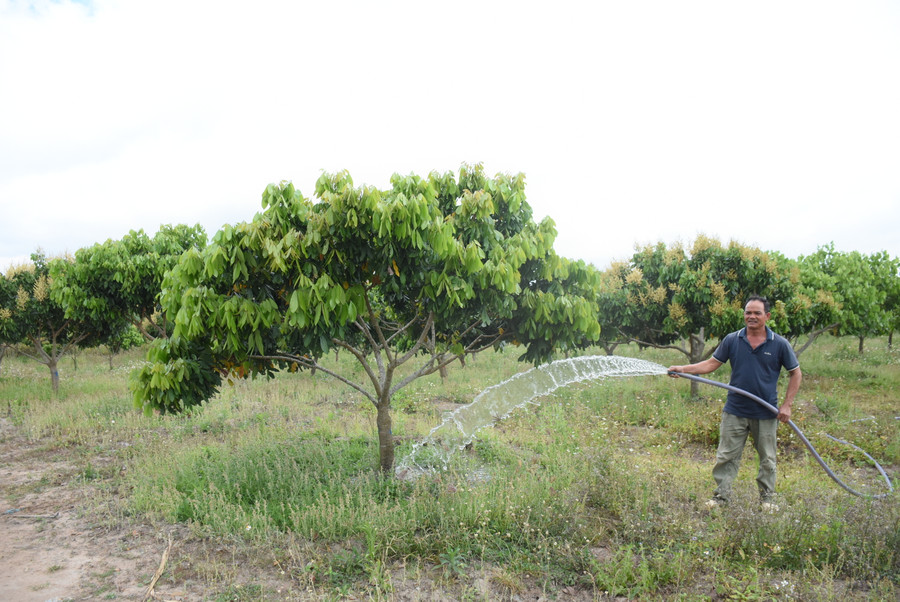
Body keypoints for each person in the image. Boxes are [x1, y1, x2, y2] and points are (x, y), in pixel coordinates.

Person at [668, 295, 802, 511]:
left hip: (766, 411)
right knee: (726, 456)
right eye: (748, 312)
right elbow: (711, 364)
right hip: (735, 410)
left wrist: (787, 405)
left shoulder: (779, 344)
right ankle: (721, 498)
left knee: (768, 458)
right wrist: (683, 369)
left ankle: (767, 500)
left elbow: (796, 374)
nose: (752, 316)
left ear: (767, 316)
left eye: (757, 313)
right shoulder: (732, 339)